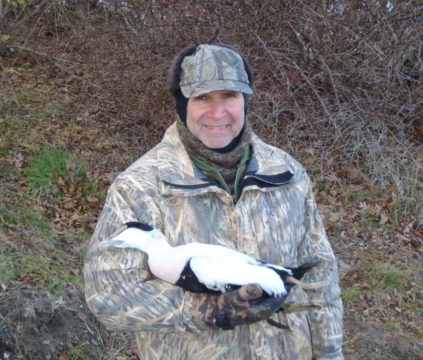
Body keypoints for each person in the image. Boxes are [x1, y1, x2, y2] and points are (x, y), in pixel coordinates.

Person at [84, 41, 344, 359]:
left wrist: (330, 353)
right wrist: (208, 310)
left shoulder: (286, 174)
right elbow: (107, 295)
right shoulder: (141, 187)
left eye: (230, 96)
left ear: (245, 100)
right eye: (203, 98)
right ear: (182, 105)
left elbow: (320, 276)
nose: (218, 112)